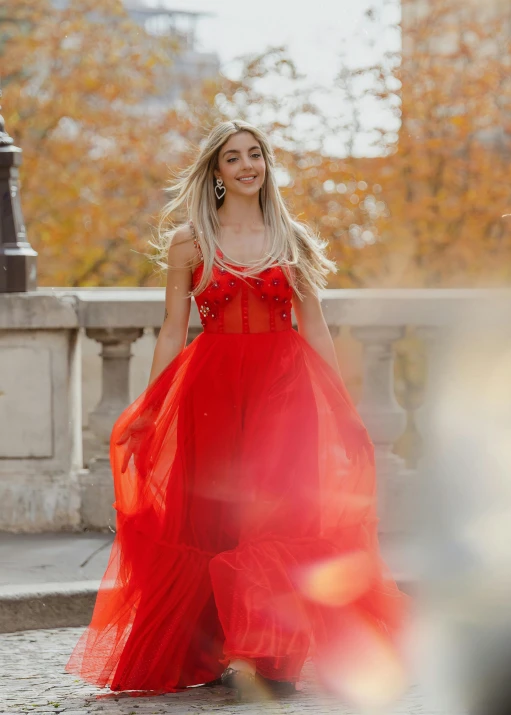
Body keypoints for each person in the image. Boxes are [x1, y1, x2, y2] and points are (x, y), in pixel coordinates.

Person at [65, 119, 406, 704]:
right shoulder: (189, 241)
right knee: (214, 514)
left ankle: (272, 653)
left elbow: (315, 325)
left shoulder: (290, 237)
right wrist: (152, 406)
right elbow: (173, 329)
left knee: (274, 514)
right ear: (216, 173)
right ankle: (221, 649)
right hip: (212, 390)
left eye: (256, 155)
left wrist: (340, 405)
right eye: (233, 158)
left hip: (284, 388)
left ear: (267, 165)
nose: (247, 165)